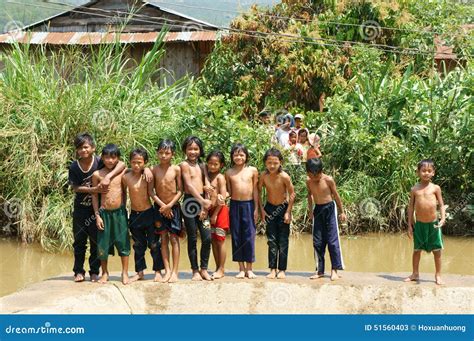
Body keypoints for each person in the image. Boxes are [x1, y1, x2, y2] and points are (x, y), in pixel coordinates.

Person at [68, 133, 126, 283]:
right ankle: (78, 271)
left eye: (86, 147)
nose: (83, 150)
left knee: (96, 241)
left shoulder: (100, 161)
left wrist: (107, 177)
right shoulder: (74, 166)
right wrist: (93, 190)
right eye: (80, 148)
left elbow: (121, 164)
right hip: (81, 208)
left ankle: (95, 271)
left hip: (99, 210)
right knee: (79, 241)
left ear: (93, 148)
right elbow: (75, 187)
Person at [122, 148, 164, 283]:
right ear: (130, 162)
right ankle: (139, 272)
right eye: (133, 162)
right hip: (134, 214)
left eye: (140, 162)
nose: (136, 165)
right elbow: (123, 194)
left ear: (145, 162)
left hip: (149, 213)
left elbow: (152, 190)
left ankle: (157, 271)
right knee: (138, 245)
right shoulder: (126, 177)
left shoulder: (148, 175)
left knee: (154, 244)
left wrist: (146, 169)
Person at [91, 144, 131, 285]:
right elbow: (94, 196)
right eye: (107, 157)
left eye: (113, 157)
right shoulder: (96, 175)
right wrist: (97, 216)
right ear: (102, 158)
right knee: (103, 244)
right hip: (104, 213)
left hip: (119, 213)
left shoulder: (122, 171)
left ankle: (125, 273)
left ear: (117, 158)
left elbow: (125, 164)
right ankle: (105, 273)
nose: (110, 161)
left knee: (123, 243)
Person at [405, 159, 446, 285]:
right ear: (418, 172)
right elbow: (411, 207)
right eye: (423, 171)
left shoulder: (435, 188)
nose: (426, 173)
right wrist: (410, 225)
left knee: (437, 250)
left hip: (433, 224)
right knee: (417, 250)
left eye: (429, 171)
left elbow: (441, 205)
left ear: (433, 173)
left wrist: (443, 218)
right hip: (420, 225)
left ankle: (438, 275)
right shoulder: (414, 189)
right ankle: (415, 273)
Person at [306, 158, 346, 281]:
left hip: (329, 209)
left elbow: (336, 195)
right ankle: (319, 271)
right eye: (312, 176)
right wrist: (310, 210)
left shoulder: (328, 180)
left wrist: (342, 211)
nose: (315, 178)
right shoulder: (309, 181)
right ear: (308, 173)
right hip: (317, 210)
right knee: (317, 241)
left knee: (332, 241)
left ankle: (334, 270)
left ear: (321, 171)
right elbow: (309, 195)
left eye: (317, 175)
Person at [258, 148, 295, 279]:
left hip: (282, 208)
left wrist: (288, 212)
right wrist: (261, 209)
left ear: (280, 162)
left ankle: (282, 269)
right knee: (271, 240)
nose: (272, 166)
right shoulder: (263, 175)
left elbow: (292, 193)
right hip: (269, 209)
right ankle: (272, 268)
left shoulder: (284, 176)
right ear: (265, 163)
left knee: (283, 240)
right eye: (269, 163)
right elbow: (257, 192)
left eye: (275, 163)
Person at [180, 136, 213, 281]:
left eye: (195, 149)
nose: (193, 152)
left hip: (202, 200)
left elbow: (206, 181)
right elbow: (188, 185)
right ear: (185, 150)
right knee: (192, 238)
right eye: (190, 149)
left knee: (207, 237)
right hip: (190, 203)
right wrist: (202, 201)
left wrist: (205, 204)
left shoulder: (202, 165)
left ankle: (204, 268)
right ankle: (194, 270)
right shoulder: (184, 165)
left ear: (200, 150)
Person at [150, 140, 183, 283]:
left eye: (167, 153)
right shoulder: (153, 169)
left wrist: (169, 205)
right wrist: (163, 206)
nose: (164, 155)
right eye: (161, 153)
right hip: (159, 207)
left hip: (173, 207)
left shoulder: (176, 169)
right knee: (163, 239)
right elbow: (151, 191)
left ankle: (175, 271)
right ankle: (167, 270)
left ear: (172, 154)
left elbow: (181, 190)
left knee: (174, 239)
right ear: (157, 153)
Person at [225, 143, 259, 279]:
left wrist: (256, 208)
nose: (238, 157)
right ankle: (241, 268)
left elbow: (255, 189)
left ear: (246, 156)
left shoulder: (252, 170)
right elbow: (228, 190)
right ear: (232, 156)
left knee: (249, 235)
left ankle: (249, 268)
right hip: (234, 205)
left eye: (241, 154)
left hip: (249, 204)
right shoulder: (229, 172)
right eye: (235, 154)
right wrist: (222, 195)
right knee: (237, 235)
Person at [205, 151, 229, 280]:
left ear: (221, 165)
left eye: (216, 164)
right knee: (213, 240)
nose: (212, 166)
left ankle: (222, 268)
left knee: (220, 240)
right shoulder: (206, 176)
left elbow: (223, 197)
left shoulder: (220, 177)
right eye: (210, 164)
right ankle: (217, 267)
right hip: (210, 210)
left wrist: (214, 214)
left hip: (220, 211)